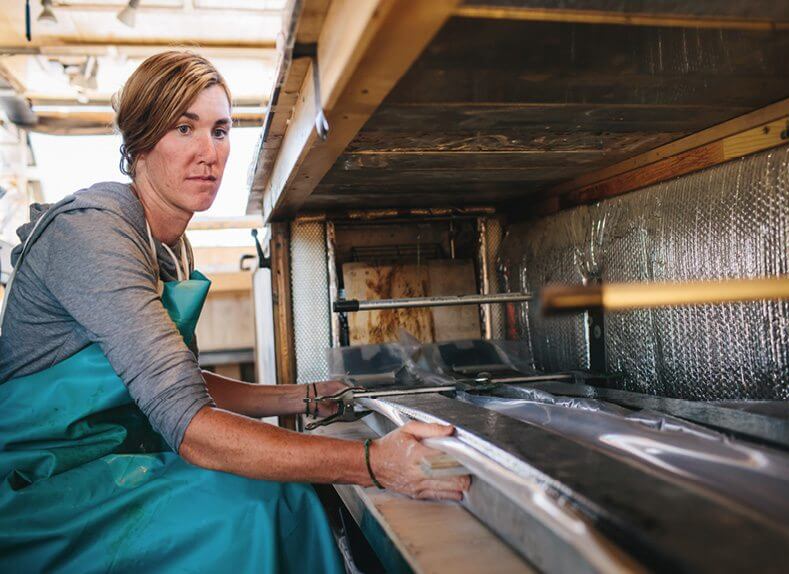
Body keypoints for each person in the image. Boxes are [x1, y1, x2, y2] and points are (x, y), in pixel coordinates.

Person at [0, 51, 468, 572]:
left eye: (220, 130)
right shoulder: (95, 234)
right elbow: (190, 425)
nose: (209, 152)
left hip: (111, 463)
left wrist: (303, 398)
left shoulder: (170, 246)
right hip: (41, 487)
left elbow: (171, 384)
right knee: (257, 508)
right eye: (184, 128)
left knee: (283, 495)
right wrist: (373, 462)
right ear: (139, 142)